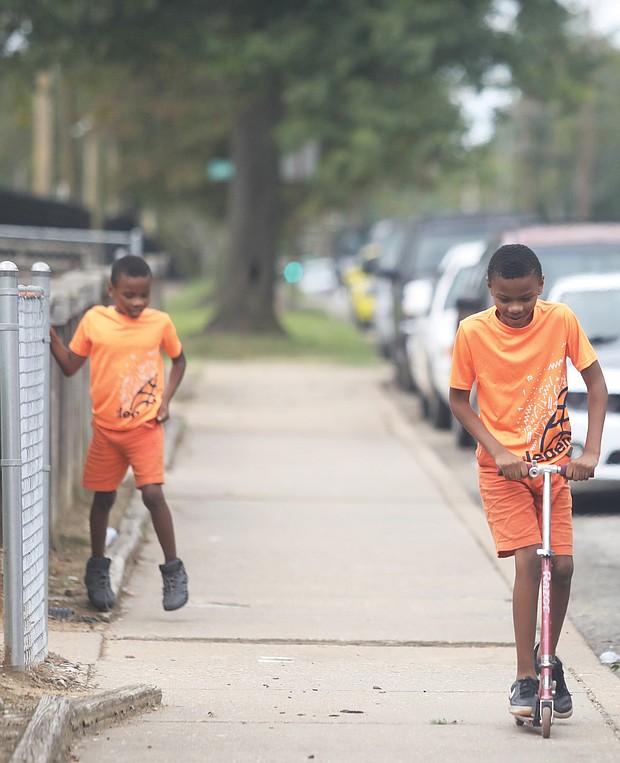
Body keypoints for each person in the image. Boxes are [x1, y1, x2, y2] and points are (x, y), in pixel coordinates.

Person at [449, 243, 607, 720]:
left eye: (524, 298)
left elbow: (596, 385)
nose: (515, 309)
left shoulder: (560, 320)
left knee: (561, 568)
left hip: (553, 471)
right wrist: (498, 450)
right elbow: (459, 400)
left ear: (541, 285)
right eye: (504, 299)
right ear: (490, 292)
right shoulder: (472, 331)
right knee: (526, 563)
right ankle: (523, 676)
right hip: (502, 473)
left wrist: (591, 452)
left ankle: (548, 661)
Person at [50, 254, 189, 613]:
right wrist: (49, 336)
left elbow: (180, 360)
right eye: (129, 295)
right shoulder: (95, 321)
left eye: (144, 295)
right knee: (103, 500)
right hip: (107, 430)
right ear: (111, 290)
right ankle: (97, 571)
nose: (138, 303)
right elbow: (69, 366)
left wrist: (166, 400)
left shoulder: (160, 323)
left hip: (145, 428)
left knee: (153, 494)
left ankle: (173, 571)